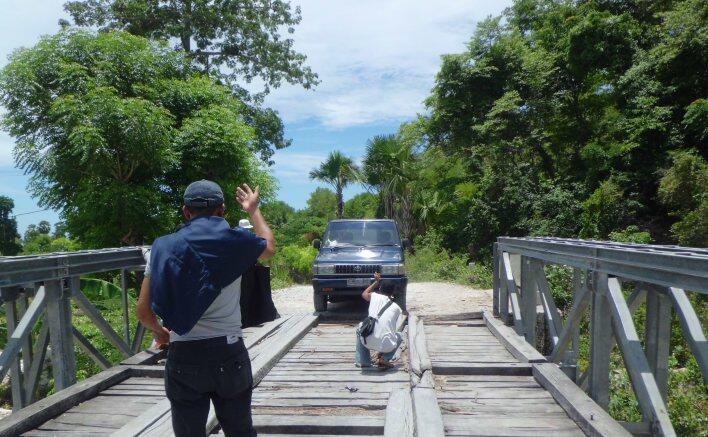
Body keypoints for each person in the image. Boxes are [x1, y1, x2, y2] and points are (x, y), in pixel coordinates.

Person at [137, 180, 275, 437]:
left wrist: (159, 333)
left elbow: (143, 311)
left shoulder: (163, 247)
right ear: (222, 210)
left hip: (184, 356)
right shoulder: (237, 242)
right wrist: (253, 209)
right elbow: (268, 248)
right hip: (229, 353)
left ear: (186, 212)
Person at [356, 272, 403, 369]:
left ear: (380, 289)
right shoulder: (397, 308)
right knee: (399, 335)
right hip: (387, 345)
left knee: (360, 327)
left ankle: (363, 361)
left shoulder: (374, 296)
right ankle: (385, 358)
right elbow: (392, 328)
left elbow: (364, 294)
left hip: (367, 340)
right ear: (393, 292)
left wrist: (376, 282)